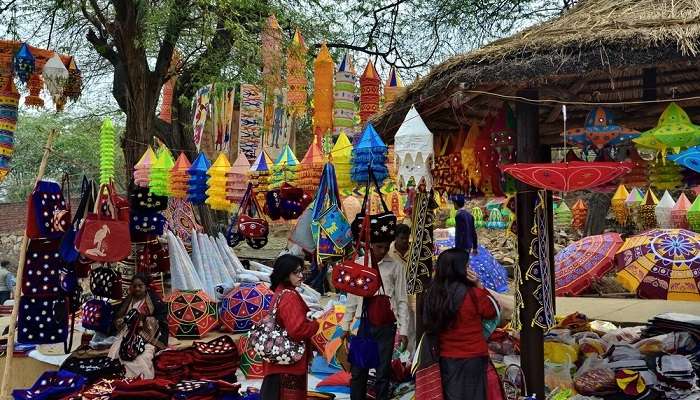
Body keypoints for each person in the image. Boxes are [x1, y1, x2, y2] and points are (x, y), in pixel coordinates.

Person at [423, 248, 496, 400]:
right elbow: (491, 312)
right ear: (459, 269)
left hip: (447, 358)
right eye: (467, 266)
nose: (470, 269)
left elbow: (428, 324)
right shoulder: (473, 294)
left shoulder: (432, 295)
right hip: (474, 357)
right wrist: (478, 284)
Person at [346, 239, 409, 400]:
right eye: (379, 246)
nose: (382, 250)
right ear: (370, 245)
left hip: (386, 326)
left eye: (386, 247)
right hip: (362, 325)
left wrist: (404, 330)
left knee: (383, 372)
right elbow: (352, 299)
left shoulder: (396, 266)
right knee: (359, 372)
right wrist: (345, 326)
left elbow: (402, 299)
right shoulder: (359, 264)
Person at [261, 254, 320, 400]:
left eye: (301, 271)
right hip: (289, 365)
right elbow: (297, 330)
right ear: (285, 274)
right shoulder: (289, 297)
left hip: (278, 362)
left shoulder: (280, 292)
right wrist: (316, 324)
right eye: (296, 272)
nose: (301, 276)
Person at [108, 273, 168, 379]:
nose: (137, 289)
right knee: (118, 352)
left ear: (146, 287)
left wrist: (145, 321)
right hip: (128, 334)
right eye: (134, 286)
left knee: (144, 356)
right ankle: (125, 376)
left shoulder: (153, 300)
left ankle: (142, 377)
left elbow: (161, 318)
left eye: (140, 286)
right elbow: (119, 317)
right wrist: (121, 321)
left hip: (147, 335)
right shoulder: (128, 300)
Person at [388, 224, 416, 354]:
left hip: (413, 295)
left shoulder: (415, 252)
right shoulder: (388, 253)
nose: (405, 241)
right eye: (402, 238)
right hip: (396, 295)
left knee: (414, 327)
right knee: (401, 326)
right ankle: (402, 356)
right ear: (395, 238)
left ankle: (412, 357)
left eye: (407, 238)